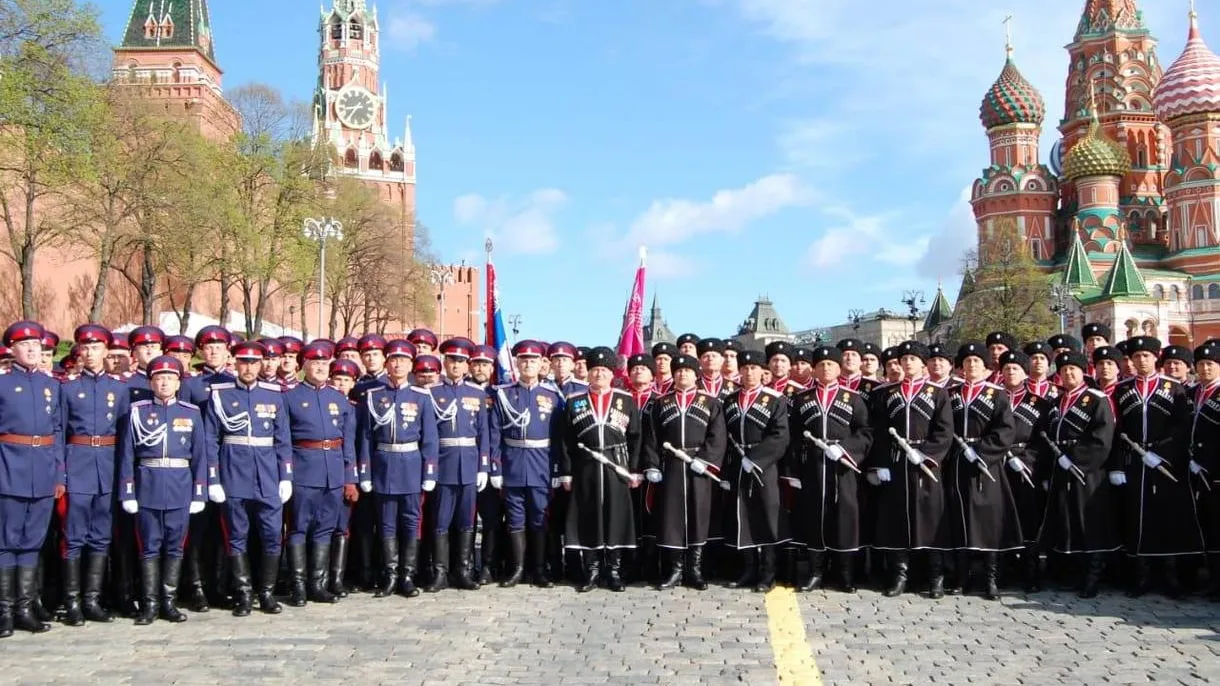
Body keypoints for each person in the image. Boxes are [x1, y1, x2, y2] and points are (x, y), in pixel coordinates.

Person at [204, 341, 293, 617]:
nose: (249, 367)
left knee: (271, 535)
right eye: (244, 362)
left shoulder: (273, 395)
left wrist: (285, 475)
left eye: (254, 363)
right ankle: (243, 593)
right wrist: (213, 477)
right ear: (234, 362)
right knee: (237, 536)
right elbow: (210, 439)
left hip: (267, 474)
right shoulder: (220, 396)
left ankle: (266, 593)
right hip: (234, 473)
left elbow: (282, 439)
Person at [116, 356, 207, 625]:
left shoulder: (191, 413)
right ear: (151, 382)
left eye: (170, 377)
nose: (164, 382)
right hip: (148, 486)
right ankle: (149, 604)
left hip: (180, 486)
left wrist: (199, 492)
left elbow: (200, 456)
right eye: (158, 377)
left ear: (179, 382)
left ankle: (169, 602)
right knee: (149, 547)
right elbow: (126, 456)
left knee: (175, 547)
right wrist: (128, 492)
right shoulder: (137, 411)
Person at [1110, 336, 1203, 597]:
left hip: (1166, 462)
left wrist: (1161, 452)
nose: (1141, 360)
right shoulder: (1123, 389)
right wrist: (1118, 464)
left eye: (1146, 356)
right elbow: (1119, 429)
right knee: (1137, 517)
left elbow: (1182, 426)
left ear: (1155, 359)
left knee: (1168, 517)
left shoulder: (1175, 388)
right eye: (1136, 356)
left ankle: (1171, 578)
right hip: (1135, 461)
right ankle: (1142, 576)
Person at [864, 340, 953, 599]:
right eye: (904, 359)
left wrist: (927, 455)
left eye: (913, 359)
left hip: (925, 465)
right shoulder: (885, 393)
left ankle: (935, 576)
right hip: (896, 462)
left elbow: (944, 431)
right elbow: (878, 432)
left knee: (930, 519)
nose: (907, 363)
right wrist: (879, 464)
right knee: (897, 520)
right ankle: (900, 574)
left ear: (922, 363)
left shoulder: (937, 393)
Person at [59, 324, 130, 626]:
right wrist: (61, 474)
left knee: (101, 537)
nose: (90, 353)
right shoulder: (68, 388)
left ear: (105, 351)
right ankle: (72, 602)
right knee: (74, 536)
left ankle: (92, 599)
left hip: (109, 467)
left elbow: (126, 438)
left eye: (96, 348)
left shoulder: (119, 389)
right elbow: (60, 432)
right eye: (85, 348)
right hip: (79, 465)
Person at [787, 345, 872, 593]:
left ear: (838, 368)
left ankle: (845, 573)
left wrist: (846, 449)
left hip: (842, 466)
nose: (826, 368)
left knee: (844, 516)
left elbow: (865, 432)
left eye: (831, 365)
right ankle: (816, 572)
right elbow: (792, 437)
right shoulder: (802, 399)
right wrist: (792, 472)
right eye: (821, 364)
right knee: (815, 516)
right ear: (814, 368)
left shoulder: (853, 398)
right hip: (812, 465)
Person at [557, 347, 642, 592]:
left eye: (603, 371)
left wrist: (634, 470)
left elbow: (636, 437)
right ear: (588, 373)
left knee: (616, 516)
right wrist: (567, 472)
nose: (598, 375)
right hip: (586, 466)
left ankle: (613, 570)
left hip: (617, 465)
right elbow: (566, 441)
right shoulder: (574, 401)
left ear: (612, 373)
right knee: (588, 515)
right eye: (595, 371)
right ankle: (592, 570)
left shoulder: (625, 399)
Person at [358, 339, 438, 599]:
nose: (397, 364)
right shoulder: (373, 396)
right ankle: (390, 574)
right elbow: (366, 438)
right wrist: (365, 472)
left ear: (411, 365)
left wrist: (429, 472)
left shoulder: (422, 397)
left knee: (411, 522)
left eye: (403, 360)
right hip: (383, 465)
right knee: (386, 523)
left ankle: (407, 574)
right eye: (393, 359)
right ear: (386, 363)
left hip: (411, 465)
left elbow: (430, 439)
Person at [1036, 351, 1118, 599]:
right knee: (1067, 521)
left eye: (1073, 369)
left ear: (1083, 371)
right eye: (1063, 370)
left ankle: (1093, 576)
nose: (1068, 373)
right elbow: (1048, 437)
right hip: (1061, 468)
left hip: (1087, 471)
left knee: (1089, 523)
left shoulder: (1096, 399)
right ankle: (1074, 572)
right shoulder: (1056, 402)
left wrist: (1075, 459)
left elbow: (1102, 438)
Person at [640, 354, 727, 591]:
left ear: (695, 374)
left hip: (698, 467)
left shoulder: (710, 402)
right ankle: (675, 569)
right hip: (672, 467)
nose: (682, 374)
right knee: (672, 517)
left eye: (687, 371)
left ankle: (695, 569)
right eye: (678, 371)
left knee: (699, 516)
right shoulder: (661, 403)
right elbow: (652, 437)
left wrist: (707, 460)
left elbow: (718, 436)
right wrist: (652, 465)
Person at [0, 321, 64, 637]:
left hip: (43, 470)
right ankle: (4, 610)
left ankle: (25, 609)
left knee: (32, 542)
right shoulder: (2, 384)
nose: (32, 350)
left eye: (36, 346)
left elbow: (58, 431)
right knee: (5, 542)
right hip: (10, 468)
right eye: (25, 345)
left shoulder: (51, 385)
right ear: (12, 349)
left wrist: (59, 473)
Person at [284, 341, 359, 606]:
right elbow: (283, 440)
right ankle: (298, 586)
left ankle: (318, 584)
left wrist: (350, 477)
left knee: (325, 528)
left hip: (334, 471)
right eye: (314, 363)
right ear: (303, 365)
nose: (319, 367)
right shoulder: (290, 397)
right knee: (298, 528)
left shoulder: (338, 399)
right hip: (304, 470)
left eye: (324, 363)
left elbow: (348, 441)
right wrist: (287, 475)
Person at [944, 343, 1021, 601]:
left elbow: (1006, 430)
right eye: (967, 362)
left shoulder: (997, 394)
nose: (971, 366)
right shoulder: (951, 393)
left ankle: (990, 578)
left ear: (986, 366)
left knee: (988, 520)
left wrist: (983, 451)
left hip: (986, 464)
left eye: (977, 361)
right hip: (957, 462)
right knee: (959, 519)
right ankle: (962, 576)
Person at [487, 340, 564, 588]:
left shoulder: (552, 396)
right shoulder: (504, 394)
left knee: (539, 518)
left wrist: (556, 468)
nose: (528, 364)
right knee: (515, 518)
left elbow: (558, 437)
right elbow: (495, 433)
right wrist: (496, 467)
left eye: (533, 360)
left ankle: (539, 569)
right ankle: (518, 568)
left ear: (541, 363)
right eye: (523, 360)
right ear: (517, 363)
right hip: (512, 464)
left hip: (541, 464)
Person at [721, 349, 790, 593]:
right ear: (739, 371)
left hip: (765, 466)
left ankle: (768, 572)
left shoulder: (775, 399)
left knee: (767, 516)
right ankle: (748, 569)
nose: (749, 372)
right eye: (745, 368)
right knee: (743, 517)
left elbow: (780, 435)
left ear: (764, 372)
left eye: (754, 368)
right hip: (737, 465)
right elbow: (723, 435)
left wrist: (758, 458)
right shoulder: (729, 401)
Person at [426, 338, 490, 592]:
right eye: (452, 360)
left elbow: (484, 433)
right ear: (444, 362)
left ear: (467, 366)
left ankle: (463, 570)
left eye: (462, 361)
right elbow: (428, 435)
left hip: (470, 463)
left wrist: (484, 466)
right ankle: (440, 572)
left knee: (467, 520)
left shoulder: (477, 393)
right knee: (441, 521)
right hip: (443, 463)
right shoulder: (431, 393)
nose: (456, 364)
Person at [996, 350, 1052, 591]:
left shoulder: (1039, 403)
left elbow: (1043, 439)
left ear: (1025, 371)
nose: (1010, 372)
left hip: (1026, 466)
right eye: (1006, 368)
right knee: (1001, 517)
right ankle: (1004, 569)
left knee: (1028, 518)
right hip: (997, 463)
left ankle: (1031, 572)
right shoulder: (994, 399)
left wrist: (1027, 460)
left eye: (1016, 368)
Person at [1189, 344, 1220, 597]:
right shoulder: (1192, 392)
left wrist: (1208, 461)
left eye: (1210, 364)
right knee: (1204, 525)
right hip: (1194, 471)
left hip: (1215, 470)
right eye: (1200, 364)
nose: (1205, 368)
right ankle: (1209, 577)